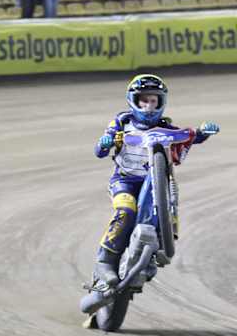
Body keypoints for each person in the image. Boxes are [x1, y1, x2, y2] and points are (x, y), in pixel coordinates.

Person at [91, 75, 219, 290]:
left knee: (166, 203)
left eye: (154, 101)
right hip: (125, 181)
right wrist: (105, 143)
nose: (149, 106)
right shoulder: (121, 122)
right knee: (126, 211)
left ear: (161, 102)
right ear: (133, 100)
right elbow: (99, 151)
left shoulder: (164, 127)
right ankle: (105, 261)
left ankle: (153, 252)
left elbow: (189, 137)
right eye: (144, 100)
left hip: (153, 182)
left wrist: (203, 132)